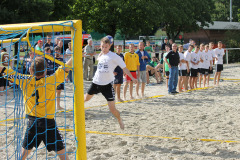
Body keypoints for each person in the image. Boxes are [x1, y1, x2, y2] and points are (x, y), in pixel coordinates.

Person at [0, 56, 71, 160]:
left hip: (32, 123)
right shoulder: (52, 80)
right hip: (48, 123)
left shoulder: (23, 80)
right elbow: (66, 67)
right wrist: (76, 55)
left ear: (30, 70)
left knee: (22, 156)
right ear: (45, 71)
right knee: (64, 157)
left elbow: (2, 69)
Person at [84, 37, 137, 130]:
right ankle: (79, 114)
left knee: (112, 109)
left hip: (107, 85)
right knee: (85, 99)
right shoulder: (100, 55)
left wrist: (132, 77)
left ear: (109, 46)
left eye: (106, 47)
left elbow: (124, 68)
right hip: (96, 83)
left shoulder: (114, 56)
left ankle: (119, 119)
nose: (104, 49)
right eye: (102, 47)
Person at [54, 46, 65, 110]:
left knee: (59, 92)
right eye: (56, 51)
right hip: (54, 78)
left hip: (61, 78)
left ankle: (58, 106)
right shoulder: (52, 59)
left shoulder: (62, 60)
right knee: (53, 92)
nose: (57, 52)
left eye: (58, 51)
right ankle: (54, 106)